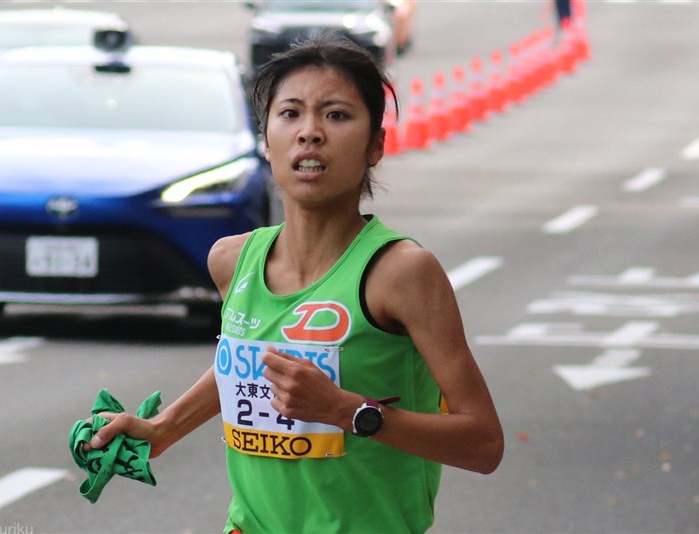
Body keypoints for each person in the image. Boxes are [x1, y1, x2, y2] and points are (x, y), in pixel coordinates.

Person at [82, 33, 503, 533]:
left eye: (337, 115)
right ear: (265, 140)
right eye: (290, 114)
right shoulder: (232, 260)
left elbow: (483, 444)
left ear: (375, 146)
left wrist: (346, 411)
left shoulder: (402, 273)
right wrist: (161, 429)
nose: (310, 133)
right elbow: (249, 364)